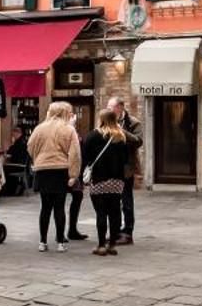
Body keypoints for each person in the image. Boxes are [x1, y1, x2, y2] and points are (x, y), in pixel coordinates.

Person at [26, 102, 82, 252]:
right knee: (59, 206)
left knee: (45, 207)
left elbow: (30, 146)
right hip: (60, 170)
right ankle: (60, 242)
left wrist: (38, 159)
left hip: (43, 170)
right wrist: (73, 175)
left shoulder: (39, 128)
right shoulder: (68, 129)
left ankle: (43, 242)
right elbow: (75, 154)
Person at [83, 108, 137, 255]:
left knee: (101, 212)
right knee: (114, 212)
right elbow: (126, 159)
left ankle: (101, 245)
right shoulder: (121, 137)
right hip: (117, 180)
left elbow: (86, 157)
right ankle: (112, 245)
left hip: (99, 179)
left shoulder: (92, 136)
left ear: (101, 119)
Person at [109, 96, 143, 245]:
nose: (109, 110)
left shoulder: (133, 122)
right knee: (113, 201)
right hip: (110, 168)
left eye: (111, 107)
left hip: (126, 167)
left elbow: (138, 141)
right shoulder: (106, 121)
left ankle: (128, 233)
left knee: (126, 201)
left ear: (120, 107)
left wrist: (121, 131)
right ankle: (115, 231)